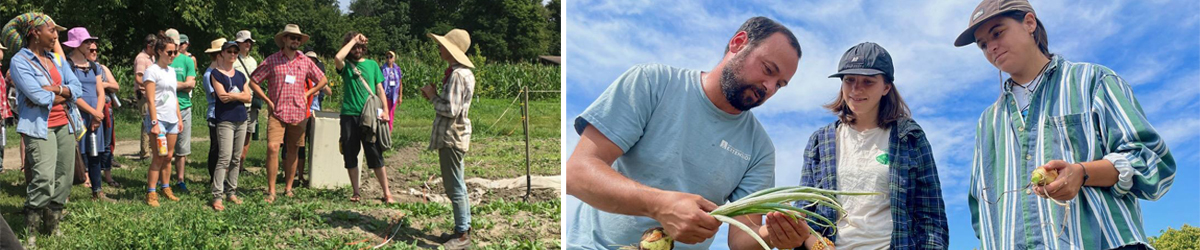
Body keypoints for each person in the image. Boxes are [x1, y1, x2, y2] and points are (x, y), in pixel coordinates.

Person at [565, 17, 808, 249]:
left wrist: (775, 235)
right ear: (738, 43)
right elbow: (576, 173)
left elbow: (742, 241)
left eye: (780, 84)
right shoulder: (653, 83)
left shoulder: (760, 149)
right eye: (768, 69)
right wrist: (659, 205)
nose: (769, 87)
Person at [955, 0, 1177, 249]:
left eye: (998, 32)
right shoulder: (988, 122)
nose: (991, 47)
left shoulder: (1093, 81)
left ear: (1029, 23)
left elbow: (1154, 162)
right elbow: (980, 208)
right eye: (983, 44)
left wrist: (1082, 173)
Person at [797, 42, 948, 250]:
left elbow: (932, 219)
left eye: (868, 81)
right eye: (849, 80)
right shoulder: (819, 142)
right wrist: (818, 245)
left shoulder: (910, 137)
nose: (856, 89)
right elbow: (804, 214)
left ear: (886, 87)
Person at [3, 12, 84, 244]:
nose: (56, 35)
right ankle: (31, 231)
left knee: (64, 178)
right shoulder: (20, 61)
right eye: (52, 30)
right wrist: (62, 92)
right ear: (35, 33)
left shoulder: (58, 59)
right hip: (40, 128)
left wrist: (56, 90)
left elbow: (76, 88)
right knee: (44, 179)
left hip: (65, 125)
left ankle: (53, 225)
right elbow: (38, 97)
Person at [247, 24, 327, 203]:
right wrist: (267, 100)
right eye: (292, 37)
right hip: (277, 111)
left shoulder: (305, 61)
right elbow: (253, 81)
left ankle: (289, 188)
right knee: (272, 148)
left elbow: (323, 80)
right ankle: (271, 190)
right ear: (284, 39)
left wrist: (308, 93)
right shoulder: (272, 60)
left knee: (294, 149)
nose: (295, 41)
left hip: (298, 112)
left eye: (298, 38)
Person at [334, 32, 394, 203]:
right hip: (349, 115)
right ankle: (356, 192)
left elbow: (380, 89)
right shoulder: (345, 65)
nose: (357, 50)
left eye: (360, 47)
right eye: (354, 47)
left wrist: (385, 111)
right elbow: (338, 57)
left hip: (369, 115)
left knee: (374, 152)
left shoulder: (372, 65)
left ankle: (387, 192)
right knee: (350, 152)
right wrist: (353, 39)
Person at [62, 27, 116, 202]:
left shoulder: (93, 66)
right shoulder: (67, 65)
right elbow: (72, 95)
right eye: (86, 42)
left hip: (95, 117)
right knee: (73, 155)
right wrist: (93, 112)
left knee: (95, 154)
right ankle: (65, 194)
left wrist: (97, 114)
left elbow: (100, 91)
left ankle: (97, 191)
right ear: (77, 44)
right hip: (77, 116)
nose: (91, 45)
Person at [203, 38, 250, 211]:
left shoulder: (240, 75)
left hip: (241, 119)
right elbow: (222, 96)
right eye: (229, 51)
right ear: (222, 53)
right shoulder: (216, 74)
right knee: (224, 157)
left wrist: (234, 96)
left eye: (235, 52)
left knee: (236, 158)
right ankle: (217, 195)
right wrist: (239, 96)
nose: (232, 54)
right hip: (225, 120)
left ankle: (231, 192)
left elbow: (248, 97)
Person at [141, 31, 183, 207]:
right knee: (159, 156)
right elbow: (150, 100)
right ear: (159, 52)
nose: (173, 55)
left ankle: (166, 187)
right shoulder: (152, 71)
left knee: (169, 157)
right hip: (158, 120)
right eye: (170, 52)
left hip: (172, 118)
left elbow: (173, 97)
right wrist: (154, 123)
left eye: (175, 52)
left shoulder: (171, 71)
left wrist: (179, 118)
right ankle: (151, 192)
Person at [165, 29, 196, 193]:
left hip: (184, 107)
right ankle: (164, 181)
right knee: (164, 149)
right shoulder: (163, 60)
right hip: (164, 108)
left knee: (182, 149)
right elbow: (158, 84)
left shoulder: (187, 61)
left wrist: (170, 84)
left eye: (175, 44)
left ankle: (180, 180)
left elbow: (191, 83)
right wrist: (180, 84)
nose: (173, 48)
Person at [232, 30, 257, 173]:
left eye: (250, 42)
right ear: (238, 43)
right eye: (245, 41)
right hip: (237, 101)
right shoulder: (233, 59)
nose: (248, 44)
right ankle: (232, 163)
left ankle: (241, 163)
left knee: (248, 132)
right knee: (235, 133)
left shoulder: (253, 61)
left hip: (251, 102)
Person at [134, 34, 157, 159]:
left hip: (150, 94)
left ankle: (149, 148)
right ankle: (145, 153)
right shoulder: (142, 58)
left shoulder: (151, 58)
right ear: (149, 46)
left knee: (151, 120)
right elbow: (138, 77)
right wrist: (151, 85)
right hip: (143, 94)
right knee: (146, 121)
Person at [380, 50, 402, 130]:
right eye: (387, 57)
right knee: (384, 114)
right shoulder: (382, 69)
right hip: (385, 96)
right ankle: (383, 131)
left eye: (391, 57)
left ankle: (389, 132)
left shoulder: (397, 70)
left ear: (394, 59)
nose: (389, 59)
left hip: (394, 96)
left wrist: (400, 96)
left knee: (391, 115)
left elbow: (400, 83)